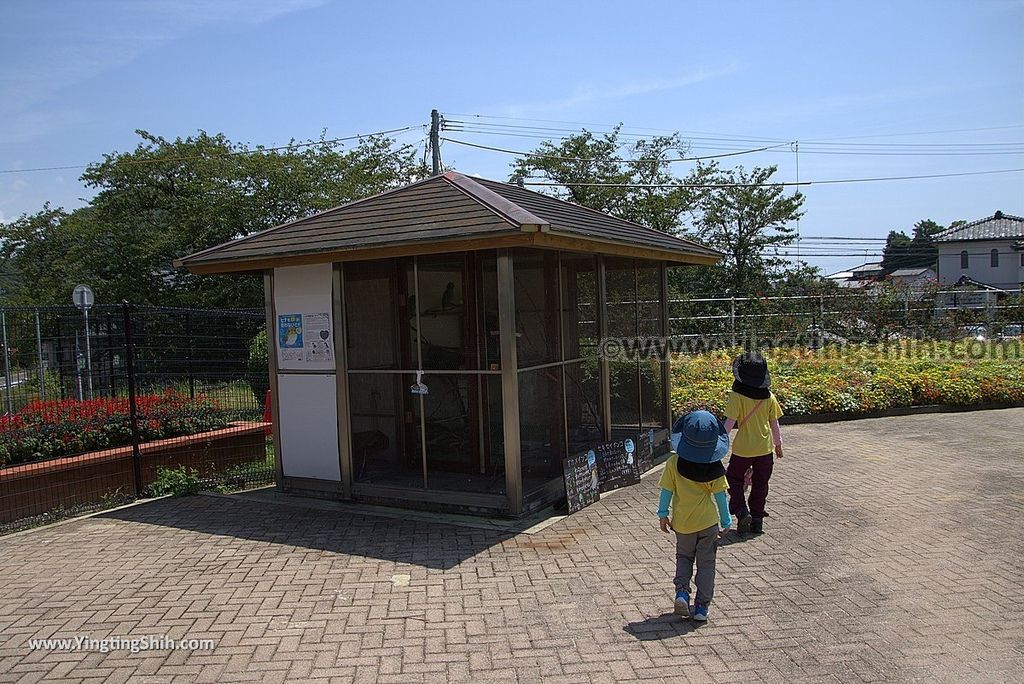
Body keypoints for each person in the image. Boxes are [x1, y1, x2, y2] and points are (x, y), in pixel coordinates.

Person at [657, 410, 733, 622]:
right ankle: (701, 607)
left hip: (683, 524)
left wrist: (663, 515)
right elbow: (720, 497)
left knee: (684, 558)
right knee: (706, 564)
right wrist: (726, 521)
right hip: (708, 523)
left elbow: (666, 491)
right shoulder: (715, 467)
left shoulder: (673, 463)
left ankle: (682, 592)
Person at [723, 352, 784, 535]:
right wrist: (778, 445)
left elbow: (728, 425)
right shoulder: (769, 397)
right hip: (765, 450)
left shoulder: (737, 397)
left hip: (743, 449)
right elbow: (774, 422)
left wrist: (715, 444)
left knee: (732, 479)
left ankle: (742, 512)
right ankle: (757, 520)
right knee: (760, 483)